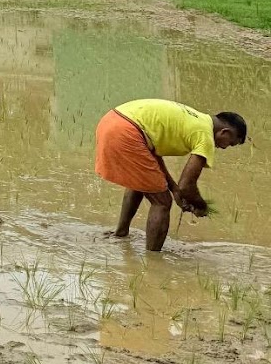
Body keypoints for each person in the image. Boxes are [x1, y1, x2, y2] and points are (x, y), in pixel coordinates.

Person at [96, 99, 248, 252]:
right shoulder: (205, 136)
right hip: (127, 131)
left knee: (141, 182)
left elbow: (152, 158)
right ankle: (153, 261)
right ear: (225, 132)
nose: (224, 147)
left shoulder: (197, 119)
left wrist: (174, 189)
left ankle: (121, 233)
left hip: (112, 120)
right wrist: (201, 206)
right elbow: (187, 185)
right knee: (162, 202)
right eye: (230, 143)